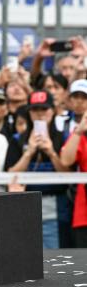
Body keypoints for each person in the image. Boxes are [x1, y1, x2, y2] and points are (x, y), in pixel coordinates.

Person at [7, 90, 70, 248]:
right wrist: (29, 152)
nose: (40, 114)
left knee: (55, 260)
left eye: (44, 109)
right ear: (29, 113)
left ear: (53, 111)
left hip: (56, 208)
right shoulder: (18, 139)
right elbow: (9, 176)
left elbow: (69, 175)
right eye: (35, 110)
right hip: (24, 207)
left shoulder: (63, 137)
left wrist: (51, 152)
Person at [60, 79, 87, 246]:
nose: (79, 101)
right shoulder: (81, 136)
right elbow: (66, 160)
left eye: (83, 97)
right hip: (84, 212)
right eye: (75, 97)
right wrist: (79, 130)